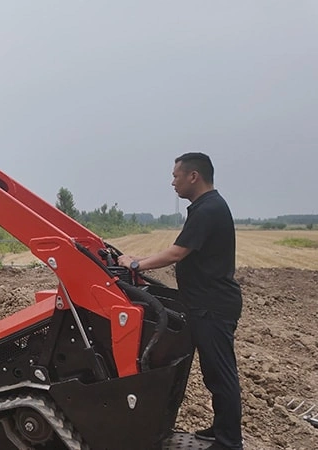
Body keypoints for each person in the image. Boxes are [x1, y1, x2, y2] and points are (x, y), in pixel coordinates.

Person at [117, 152, 243, 450]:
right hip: (206, 304)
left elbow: (176, 253)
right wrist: (139, 259)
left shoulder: (208, 209)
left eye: (176, 176)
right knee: (215, 373)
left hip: (213, 307)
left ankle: (229, 442)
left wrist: (136, 265)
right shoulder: (206, 206)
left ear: (193, 176)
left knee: (221, 373)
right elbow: (179, 249)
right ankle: (221, 429)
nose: (172, 182)